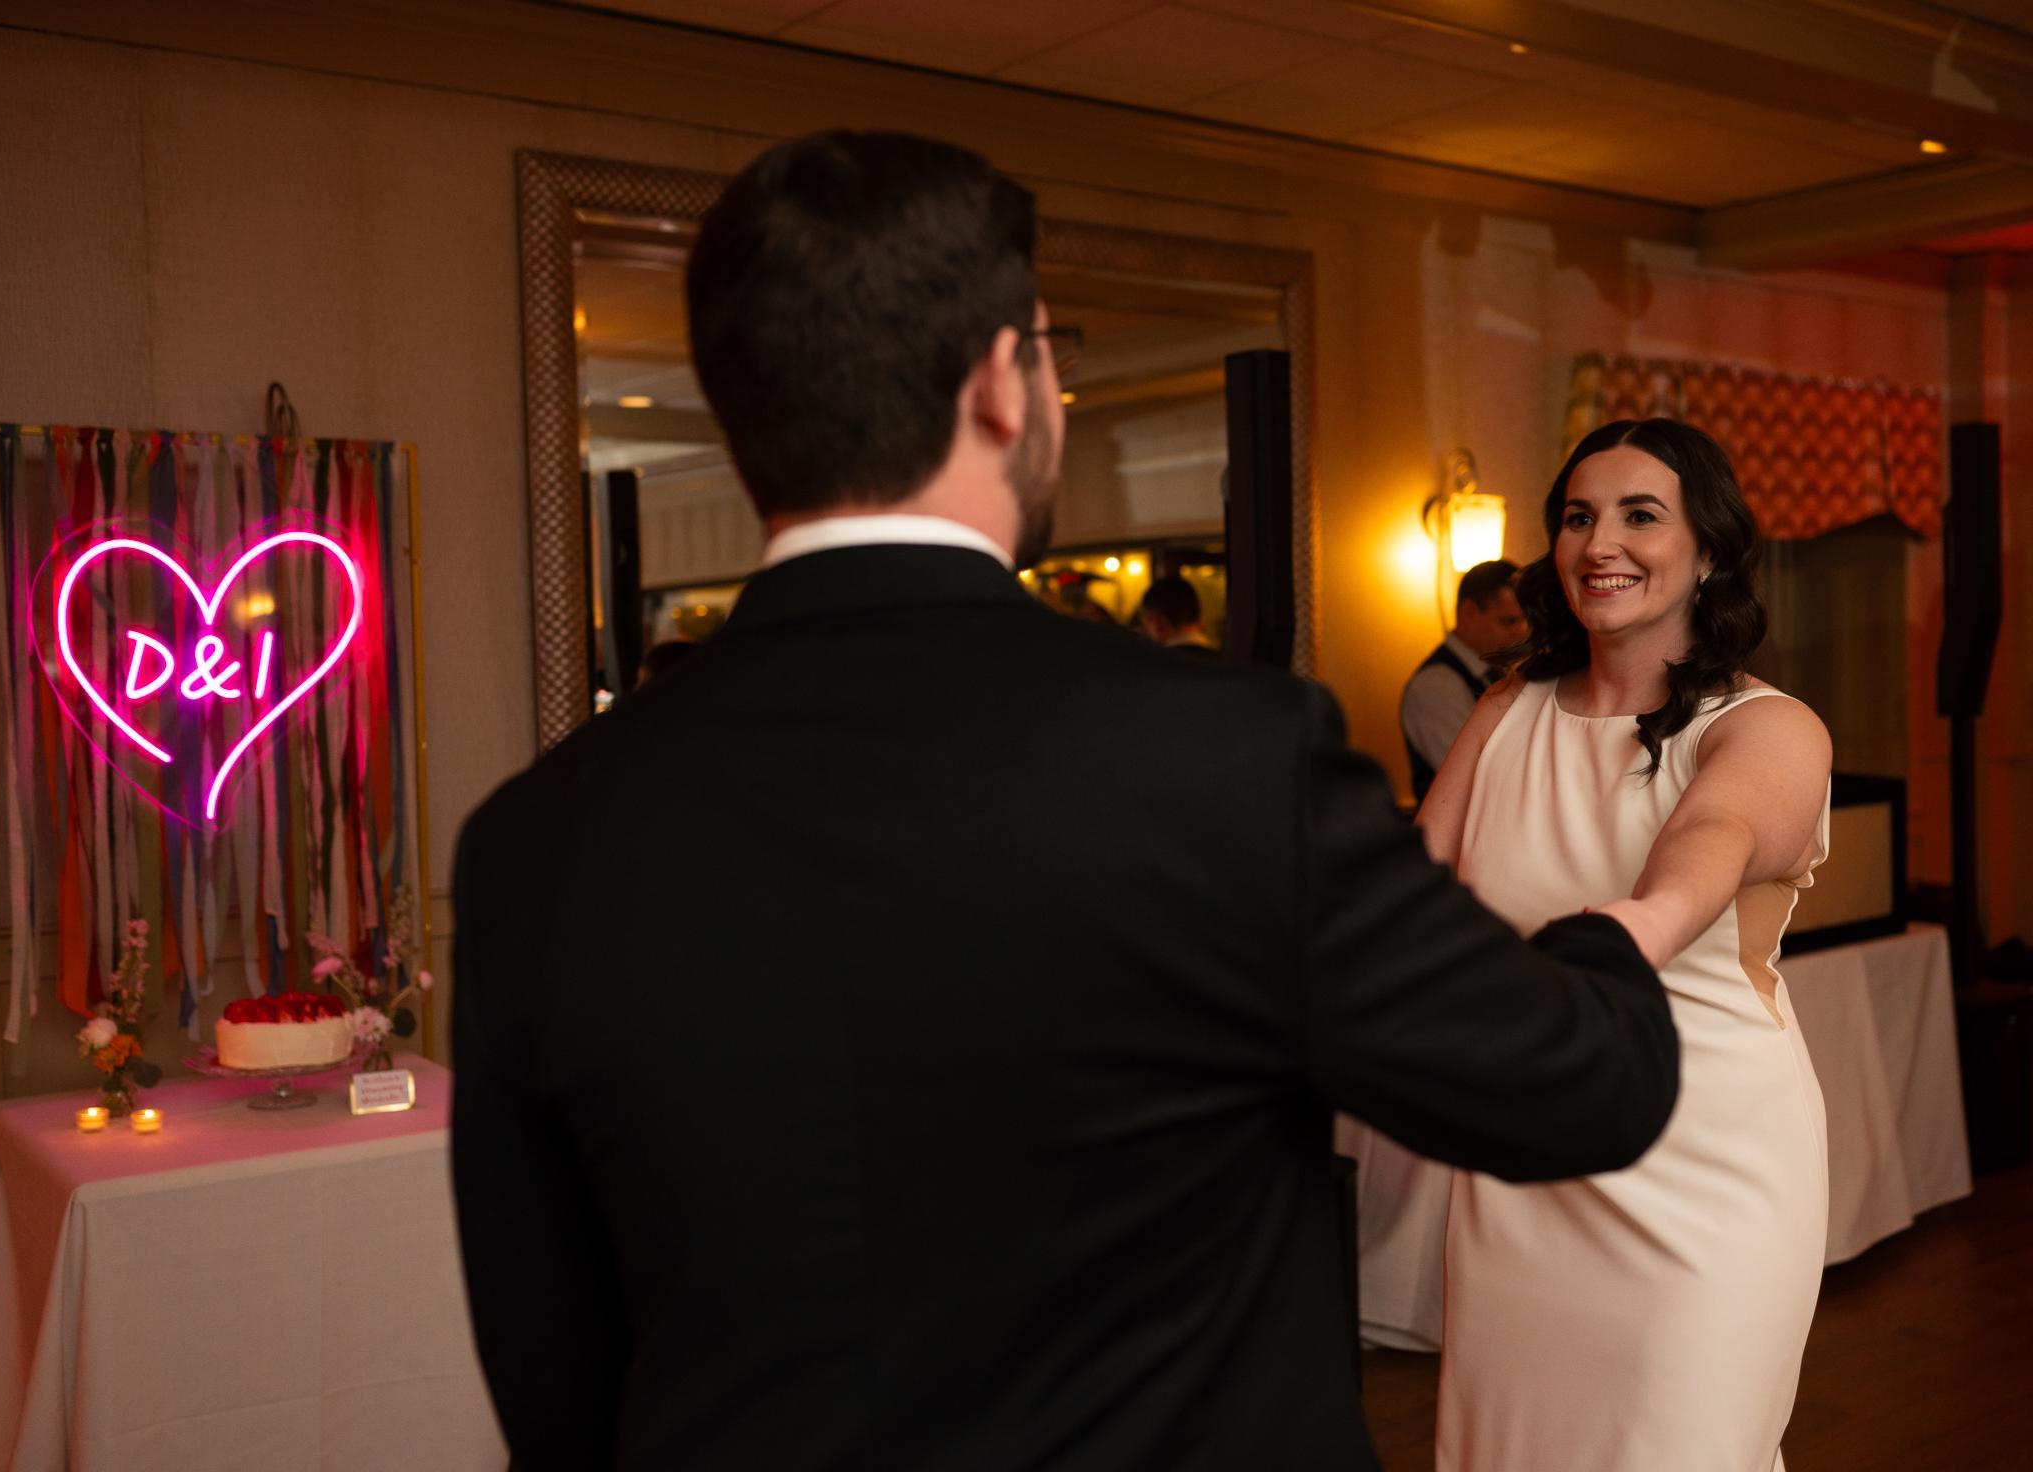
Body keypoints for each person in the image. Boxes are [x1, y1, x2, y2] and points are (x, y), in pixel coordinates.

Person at [450, 131, 1682, 1472]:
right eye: (1051, 352)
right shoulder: (1219, 757)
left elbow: (551, 1371)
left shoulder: (535, 839)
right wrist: (1611, 932)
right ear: (1001, 380)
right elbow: (1575, 1090)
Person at [1419, 419, 1833, 1472]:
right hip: (1526, 1155)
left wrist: (1626, 931)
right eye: (1577, 516)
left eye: (1639, 515)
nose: (1599, 542)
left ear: (1708, 548)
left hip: (1704, 1161)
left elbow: (1711, 835)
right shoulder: (1506, 707)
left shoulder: (1767, 726)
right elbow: (1405, 893)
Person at [1399, 559, 1523, 801]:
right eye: (1509, 621)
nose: (1522, 631)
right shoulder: (1435, 686)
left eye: (1526, 619)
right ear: (1469, 612)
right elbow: (1475, 780)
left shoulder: (1501, 674)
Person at [1135, 574, 1215, 654]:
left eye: (1148, 619)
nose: (1144, 630)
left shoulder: (1154, 661)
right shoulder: (1219, 659)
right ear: (1200, 619)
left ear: (1157, 623)